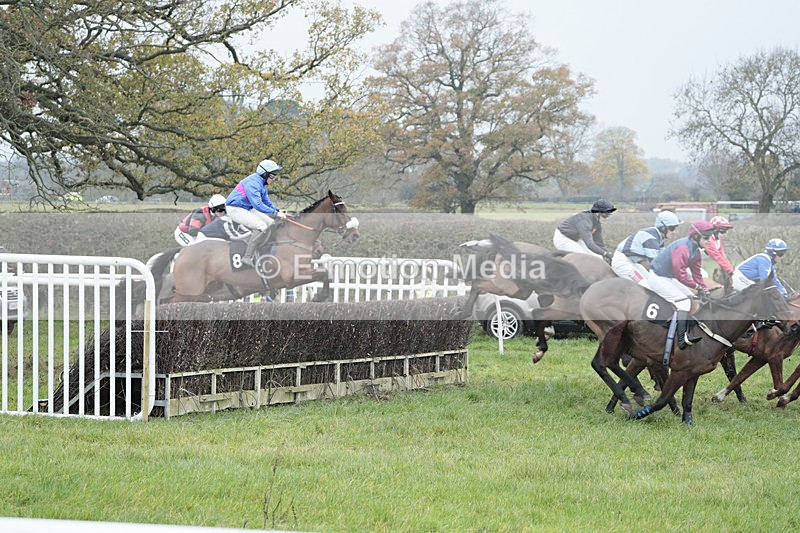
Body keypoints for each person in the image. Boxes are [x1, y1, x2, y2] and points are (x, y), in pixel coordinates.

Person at [648, 220, 716, 349]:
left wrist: (705, 289)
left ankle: (687, 330)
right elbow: (681, 274)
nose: (709, 240)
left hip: (668, 277)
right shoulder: (683, 248)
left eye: (710, 237)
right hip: (657, 277)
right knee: (684, 303)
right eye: (706, 237)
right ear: (696, 236)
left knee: (693, 299)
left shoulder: (696, 250)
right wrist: (697, 287)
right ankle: (681, 339)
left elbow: (697, 274)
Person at [226, 159, 288, 267]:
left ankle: (263, 248)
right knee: (261, 226)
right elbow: (258, 205)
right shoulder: (253, 183)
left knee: (270, 223)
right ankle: (248, 257)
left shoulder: (261, 184)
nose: (274, 179)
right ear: (265, 174)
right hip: (235, 208)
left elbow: (266, 202)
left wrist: (277, 210)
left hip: (246, 208)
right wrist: (275, 213)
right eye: (272, 176)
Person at [611, 210, 681, 289]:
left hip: (632, 262)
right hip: (622, 263)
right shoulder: (651, 238)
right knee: (646, 287)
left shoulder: (658, 237)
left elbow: (664, 258)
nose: (674, 232)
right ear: (663, 227)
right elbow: (657, 265)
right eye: (672, 228)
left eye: (675, 228)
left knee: (652, 283)